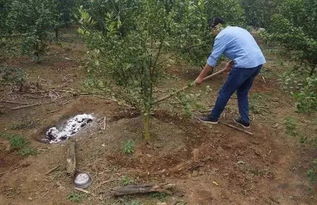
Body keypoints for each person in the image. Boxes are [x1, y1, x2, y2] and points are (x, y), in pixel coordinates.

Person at [194, 17, 266, 128]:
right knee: (242, 92)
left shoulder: (221, 36)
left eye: (211, 29)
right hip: (257, 63)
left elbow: (213, 59)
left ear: (216, 27)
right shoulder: (237, 29)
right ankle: (244, 120)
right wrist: (231, 63)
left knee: (225, 91)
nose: (212, 32)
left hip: (244, 65)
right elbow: (245, 48)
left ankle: (213, 117)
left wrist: (200, 77)